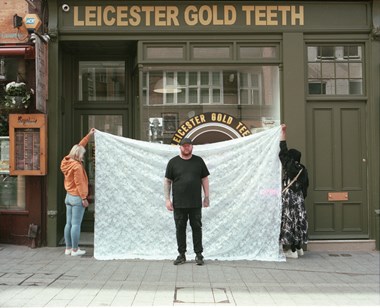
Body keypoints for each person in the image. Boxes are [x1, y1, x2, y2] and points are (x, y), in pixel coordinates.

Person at [164, 137, 210, 266]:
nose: (186, 147)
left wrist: (206, 197)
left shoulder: (198, 161)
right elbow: (167, 181)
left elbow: (204, 179)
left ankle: (199, 254)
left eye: (188, 145)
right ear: (180, 147)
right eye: (184, 145)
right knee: (180, 228)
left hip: (195, 203)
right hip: (179, 203)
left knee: (197, 228)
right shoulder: (173, 162)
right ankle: (181, 255)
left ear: (192, 147)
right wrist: (167, 200)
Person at [60, 128, 95, 256]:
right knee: (76, 224)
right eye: (82, 155)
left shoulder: (66, 161)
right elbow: (80, 183)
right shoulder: (77, 167)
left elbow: (80, 145)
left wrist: (89, 135)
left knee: (68, 223)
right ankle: (75, 250)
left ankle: (68, 248)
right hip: (77, 197)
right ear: (78, 155)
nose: (83, 156)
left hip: (68, 196)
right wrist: (84, 198)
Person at [279, 124, 309, 259]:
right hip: (299, 199)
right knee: (298, 222)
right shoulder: (303, 169)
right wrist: (301, 199)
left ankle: (291, 250)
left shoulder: (289, 165)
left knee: (289, 222)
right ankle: (298, 248)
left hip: (289, 197)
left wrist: (283, 132)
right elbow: (305, 187)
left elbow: (283, 150)